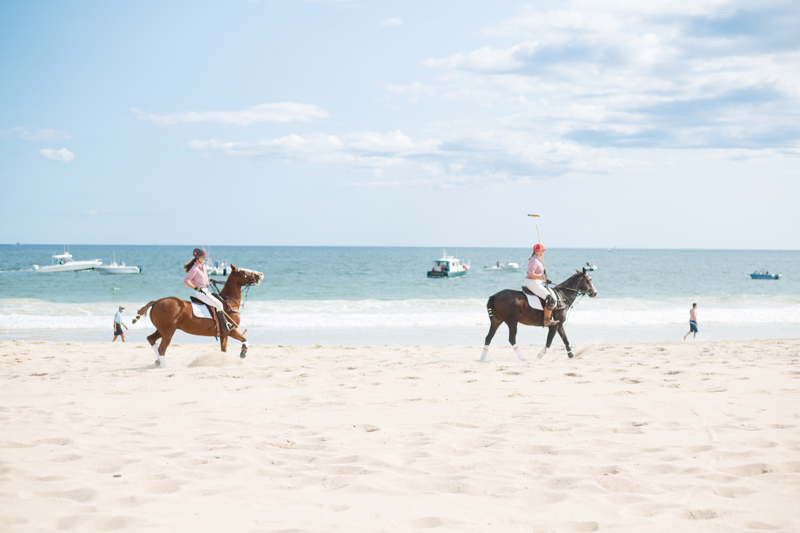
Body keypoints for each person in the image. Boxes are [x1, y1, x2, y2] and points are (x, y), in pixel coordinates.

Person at [183, 247, 234, 334]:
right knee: (219, 304)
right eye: (203, 257)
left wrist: (210, 280)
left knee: (220, 301)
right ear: (197, 258)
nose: (204, 259)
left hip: (206, 290)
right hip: (200, 292)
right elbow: (186, 281)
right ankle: (225, 327)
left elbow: (202, 279)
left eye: (205, 257)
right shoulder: (194, 269)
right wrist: (195, 288)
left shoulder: (202, 267)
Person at [525, 243, 556, 326]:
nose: (542, 252)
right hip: (532, 283)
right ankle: (546, 320)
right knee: (550, 299)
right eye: (540, 251)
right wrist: (542, 277)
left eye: (543, 251)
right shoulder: (534, 261)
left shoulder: (538, 259)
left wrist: (545, 279)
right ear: (535, 251)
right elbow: (530, 274)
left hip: (537, 282)